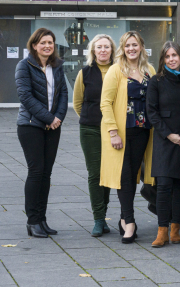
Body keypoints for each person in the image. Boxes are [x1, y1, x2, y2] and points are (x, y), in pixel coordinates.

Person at [100, 31, 157, 244]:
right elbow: (105, 103)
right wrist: (113, 132)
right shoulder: (116, 70)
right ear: (122, 49)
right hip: (121, 132)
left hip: (143, 131)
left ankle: (124, 218)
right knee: (124, 177)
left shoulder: (149, 70)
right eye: (127, 46)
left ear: (141, 47)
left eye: (134, 45)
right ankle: (130, 222)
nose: (131, 49)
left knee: (133, 175)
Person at [15, 28, 68, 238]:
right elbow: (25, 97)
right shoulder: (23, 66)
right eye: (43, 42)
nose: (47, 46)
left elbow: (64, 93)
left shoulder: (57, 66)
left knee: (47, 173)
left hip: (53, 125)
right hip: (30, 125)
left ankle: (42, 219)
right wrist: (49, 118)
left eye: (51, 42)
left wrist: (58, 118)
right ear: (34, 45)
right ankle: (32, 221)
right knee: (36, 172)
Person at [146, 41, 180, 248]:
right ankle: (162, 231)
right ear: (163, 60)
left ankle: (176, 230)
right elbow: (152, 112)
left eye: (174, 56)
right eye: (167, 56)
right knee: (164, 186)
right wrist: (170, 135)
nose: (171, 59)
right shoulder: (156, 81)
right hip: (165, 141)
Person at [73, 34, 116, 237]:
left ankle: (104, 216)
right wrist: (92, 118)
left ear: (112, 50)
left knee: (108, 173)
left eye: (106, 47)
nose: (103, 50)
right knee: (95, 174)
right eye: (99, 47)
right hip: (90, 129)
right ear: (93, 50)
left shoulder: (119, 71)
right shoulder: (85, 73)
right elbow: (77, 103)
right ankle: (98, 220)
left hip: (114, 129)